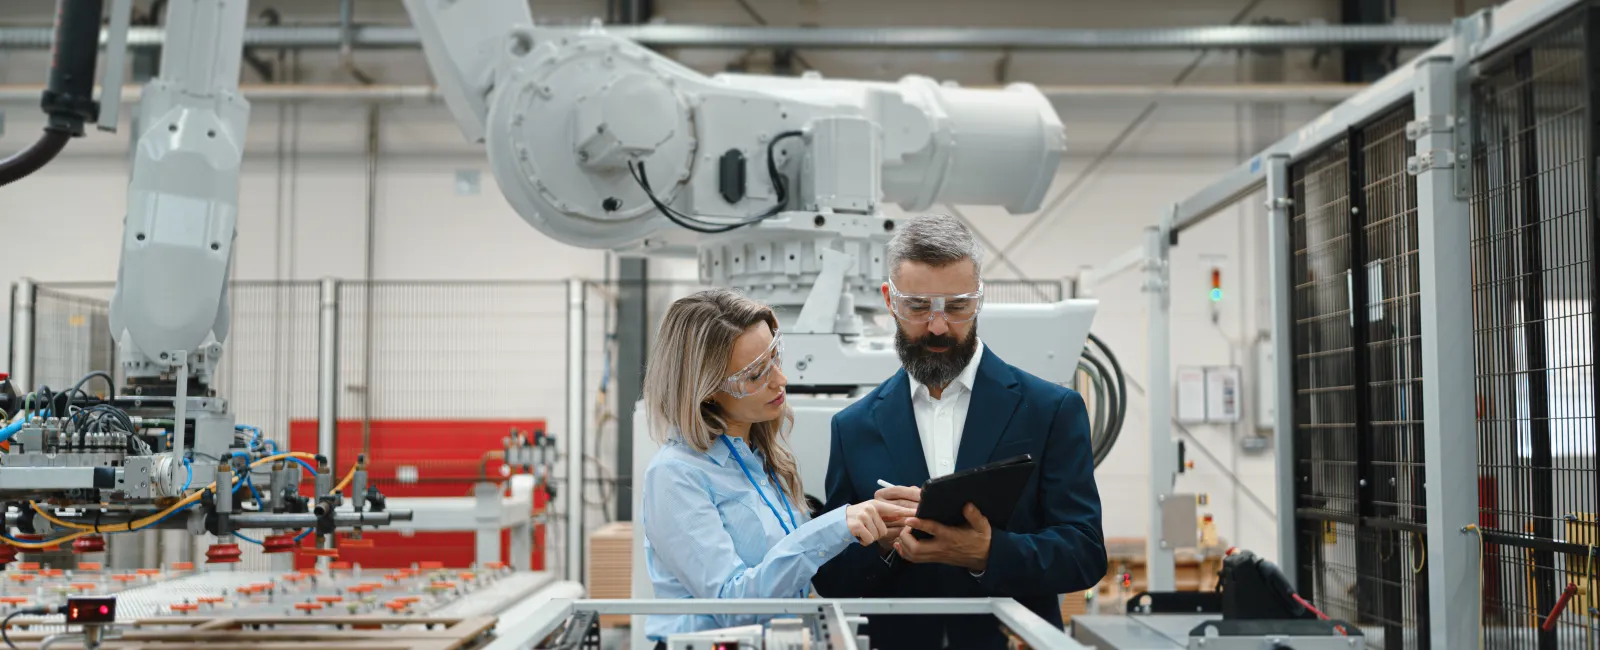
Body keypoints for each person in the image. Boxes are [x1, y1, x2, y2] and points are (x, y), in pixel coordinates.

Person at [813, 214, 1107, 650]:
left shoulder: (1050, 411)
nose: (937, 326)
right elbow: (831, 576)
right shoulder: (853, 427)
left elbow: (1084, 554)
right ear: (889, 301)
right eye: (917, 307)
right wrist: (875, 542)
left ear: (980, 301)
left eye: (956, 307)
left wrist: (989, 553)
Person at [638, 289, 913, 648]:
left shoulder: (760, 458)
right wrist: (835, 525)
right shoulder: (675, 475)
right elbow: (734, 607)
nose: (780, 380)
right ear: (704, 391)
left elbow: (786, 577)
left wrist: (874, 536)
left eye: (775, 357)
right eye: (755, 375)